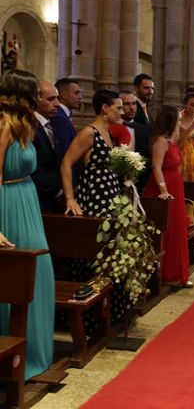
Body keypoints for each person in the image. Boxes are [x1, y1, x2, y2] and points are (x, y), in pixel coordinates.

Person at [0, 69, 55, 380]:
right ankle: (13, 356)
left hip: (27, 199)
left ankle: (32, 351)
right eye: (33, 93)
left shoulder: (23, 125)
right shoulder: (4, 125)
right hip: (8, 202)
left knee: (40, 273)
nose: (38, 98)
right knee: (18, 276)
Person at [144, 105, 191, 288]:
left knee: (176, 228)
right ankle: (166, 272)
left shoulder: (170, 140)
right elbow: (156, 167)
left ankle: (175, 272)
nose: (180, 123)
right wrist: (163, 190)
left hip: (175, 185)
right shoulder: (160, 141)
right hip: (164, 187)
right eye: (177, 120)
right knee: (168, 229)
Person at [61, 90, 123, 217]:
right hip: (95, 195)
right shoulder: (89, 132)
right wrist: (70, 199)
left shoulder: (108, 133)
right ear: (105, 108)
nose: (122, 113)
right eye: (119, 108)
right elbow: (66, 163)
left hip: (111, 194)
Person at [31, 80, 64, 212]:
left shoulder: (52, 123)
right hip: (38, 197)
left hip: (51, 199)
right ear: (36, 100)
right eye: (51, 99)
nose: (57, 104)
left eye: (57, 98)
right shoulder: (30, 126)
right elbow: (34, 167)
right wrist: (57, 192)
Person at [51, 77, 82, 184]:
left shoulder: (64, 115)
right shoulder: (59, 117)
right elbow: (64, 153)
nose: (80, 97)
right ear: (64, 95)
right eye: (76, 93)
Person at [119, 89, 151, 191]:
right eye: (127, 104)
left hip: (138, 182)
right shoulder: (111, 128)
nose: (131, 108)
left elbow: (147, 156)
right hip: (116, 180)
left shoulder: (144, 130)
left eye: (134, 104)